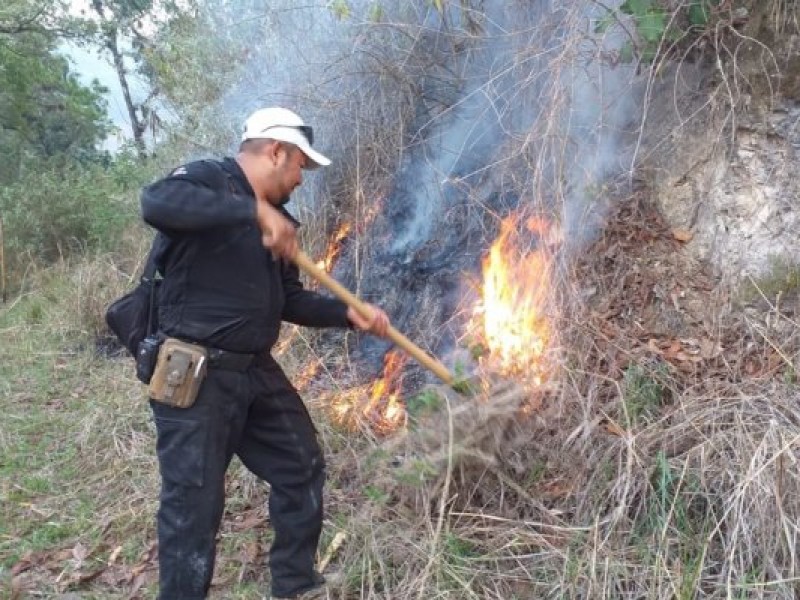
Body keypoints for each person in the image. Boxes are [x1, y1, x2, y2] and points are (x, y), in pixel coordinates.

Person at [139, 106, 390, 600]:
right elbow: (156, 203)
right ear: (276, 151)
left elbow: (290, 300)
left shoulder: (281, 224)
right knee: (193, 507)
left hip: (254, 370)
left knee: (301, 466)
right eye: (300, 166)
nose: (301, 179)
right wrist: (252, 212)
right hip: (195, 370)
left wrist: (347, 314)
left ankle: (296, 586)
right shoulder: (209, 179)